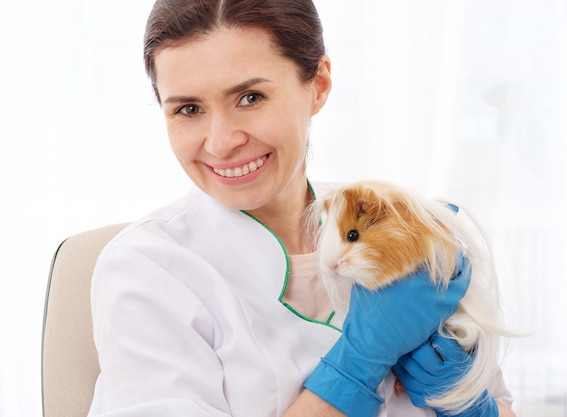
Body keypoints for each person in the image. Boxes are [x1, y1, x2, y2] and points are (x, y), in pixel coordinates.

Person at [87, 1, 516, 416]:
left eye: (250, 97)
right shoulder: (148, 270)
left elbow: (501, 405)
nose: (220, 142)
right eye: (189, 109)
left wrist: (469, 407)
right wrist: (356, 366)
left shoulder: (398, 224)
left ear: (319, 85)